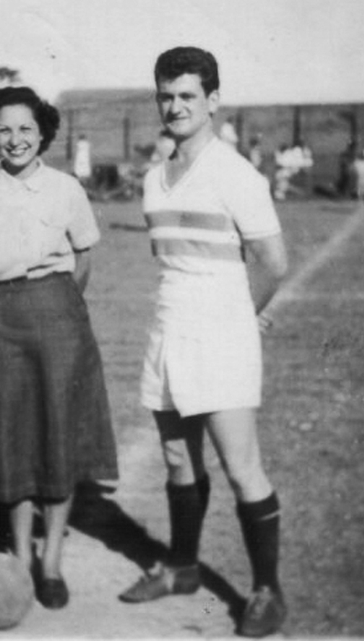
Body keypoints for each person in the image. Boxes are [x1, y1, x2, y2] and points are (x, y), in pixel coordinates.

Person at [119, 47, 289, 638]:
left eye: (188, 95)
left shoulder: (237, 174)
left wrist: (242, 315)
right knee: (176, 459)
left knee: (242, 467)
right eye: (167, 95)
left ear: (213, 101)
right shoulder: (152, 180)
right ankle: (183, 567)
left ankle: (268, 590)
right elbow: (173, 263)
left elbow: (273, 261)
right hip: (169, 327)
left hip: (222, 335)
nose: (176, 105)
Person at [0, 86, 118, 610]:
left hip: (59, 317)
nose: (15, 139)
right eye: (4, 129)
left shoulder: (67, 188)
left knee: (57, 434)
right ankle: (22, 555)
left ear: (43, 132)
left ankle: (51, 564)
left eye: (26, 128)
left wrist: (58, 306)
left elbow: (84, 259)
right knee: (14, 440)